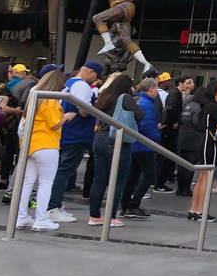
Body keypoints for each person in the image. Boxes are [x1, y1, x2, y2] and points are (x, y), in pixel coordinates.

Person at [16, 70, 78, 231]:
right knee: (46, 182)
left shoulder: (33, 96)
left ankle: (21, 216)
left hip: (30, 144)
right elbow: (54, 124)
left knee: (27, 182)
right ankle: (41, 219)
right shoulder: (50, 99)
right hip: (46, 144)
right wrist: (66, 117)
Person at [47, 61, 102, 223]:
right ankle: (53, 206)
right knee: (64, 172)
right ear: (91, 72)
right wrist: (94, 107)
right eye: (96, 75)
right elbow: (84, 111)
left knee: (59, 171)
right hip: (76, 135)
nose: (95, 79)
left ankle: (53, 205)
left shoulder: (68, 83)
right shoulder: (82, 86)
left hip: (65, 133)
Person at [88, 74, 141, 227]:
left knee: (99, 179)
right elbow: (140, 115)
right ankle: (111, 217)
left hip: (99, 138)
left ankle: (94, 216)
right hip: (117, 140)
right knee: (117, 180)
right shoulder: (125, 98)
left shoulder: (104, 95)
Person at [187, 79, 217, 222]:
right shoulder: (214, 107)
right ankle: (200, 211)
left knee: (202, 176)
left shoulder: (208, 105)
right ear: (215, 90)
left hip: (206, 140)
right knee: (206, 176)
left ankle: (194, 210)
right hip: (210, 142)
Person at [119, 77, 161, 220]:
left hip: (135, 144)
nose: (157, 91)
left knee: (132, 176)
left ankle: (125, 205)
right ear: (150, 89)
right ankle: (133, 204)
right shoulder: (148, 104)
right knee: (149, 175)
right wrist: (156, 137)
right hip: (144, 145)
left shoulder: (138, 101)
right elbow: (146, 125)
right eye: (156, 88)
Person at [0, 62, 21, 195]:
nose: (12, 74)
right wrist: (16, 110)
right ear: (4, 73)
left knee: (4, 152)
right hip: (6, 125)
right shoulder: (4, 88)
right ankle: (9, 181)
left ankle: (4, 180)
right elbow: (2, 107)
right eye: (10, 71)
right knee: (9, 152)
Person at [155, 73, 183, 193]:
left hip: (163, 126)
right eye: (168, 80)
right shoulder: (169, 94)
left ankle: (158, 180)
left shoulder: (168, 93)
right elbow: (168, 109)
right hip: (165, 128)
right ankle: (159, 182)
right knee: (164, 156)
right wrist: (165, 122)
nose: (170, 82)